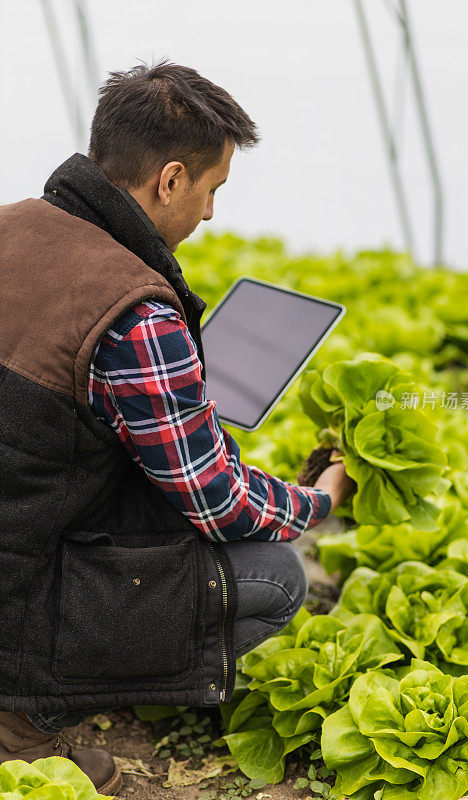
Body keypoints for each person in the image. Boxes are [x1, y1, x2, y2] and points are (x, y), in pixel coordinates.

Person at [0, 60, 355, 794]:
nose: (210, 215)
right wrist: (314, 501)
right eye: (210, 190)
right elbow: (217, 502)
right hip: (19, 588)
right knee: (274, 575)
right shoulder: (134, 310)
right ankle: (20, 727)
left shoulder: (13, 226)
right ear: (168, 180)